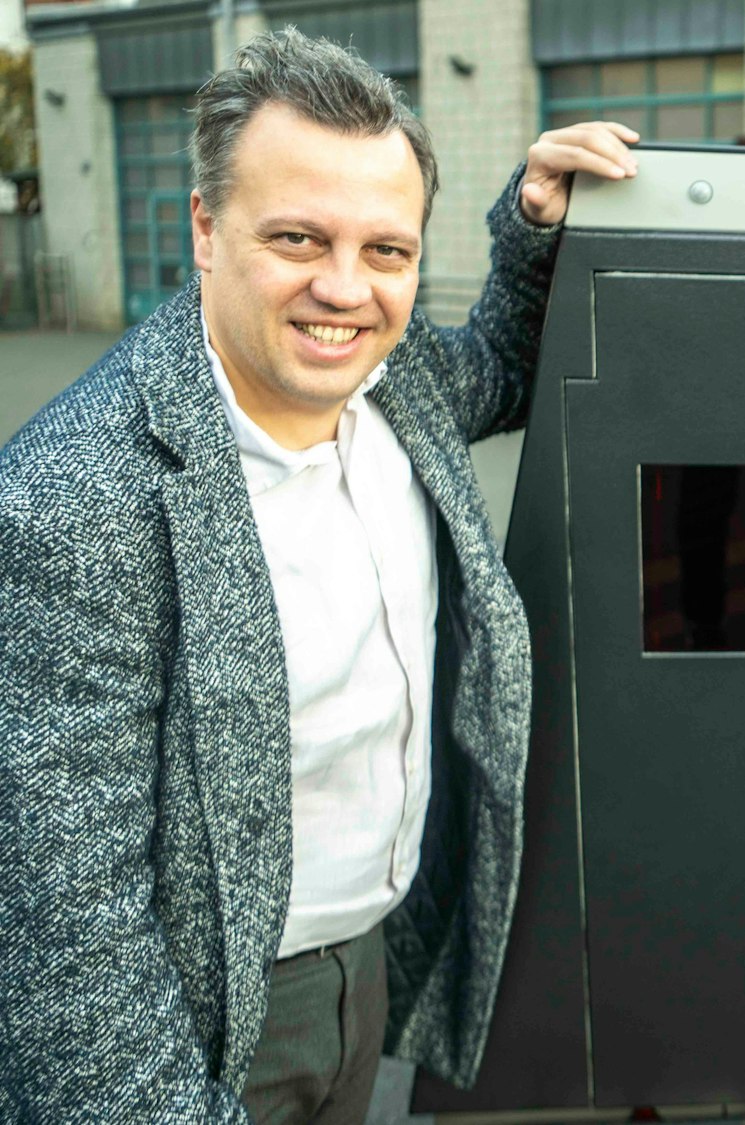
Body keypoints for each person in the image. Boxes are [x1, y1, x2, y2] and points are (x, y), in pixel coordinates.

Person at [0, 29, 639, 1121]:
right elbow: (70, 935)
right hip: (208, 1018)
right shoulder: (75, 500)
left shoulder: (403, 387)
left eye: (387, 251)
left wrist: (535, 223)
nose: (345, 292)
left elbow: (501, 360)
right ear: (206, 229)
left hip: (376, 958)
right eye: (298, 238)